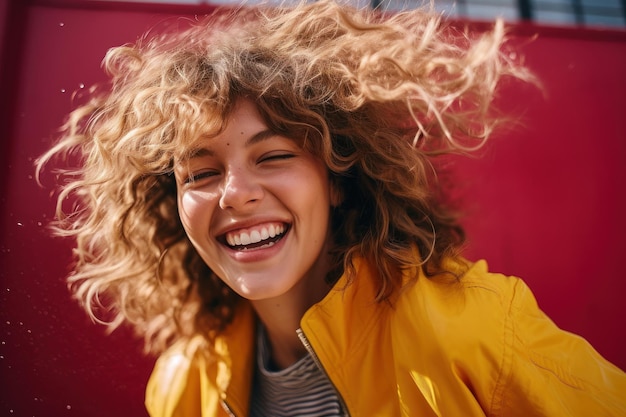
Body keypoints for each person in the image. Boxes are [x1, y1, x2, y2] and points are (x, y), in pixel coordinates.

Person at [36, 1, 625, 416]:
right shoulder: (180, 387)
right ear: (173, 204)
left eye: (272, 157)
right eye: (202, 173)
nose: (235, 193)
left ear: (338, 178)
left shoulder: (472, 334)